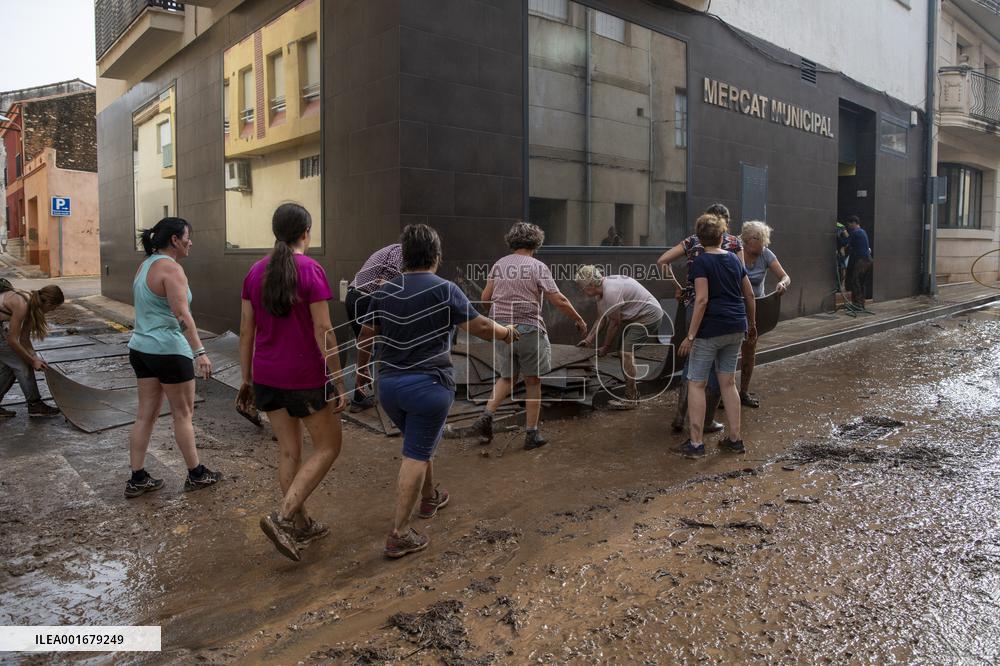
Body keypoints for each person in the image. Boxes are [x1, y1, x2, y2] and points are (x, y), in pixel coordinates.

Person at [356, 224, 518, 559]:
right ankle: (399, 533)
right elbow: (482, 326)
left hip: (389, 386)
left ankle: (430, 498)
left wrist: (362, 376)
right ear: (436, 256)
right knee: (415, 454)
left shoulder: (382, 292)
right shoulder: (444, 289)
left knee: (418, 440)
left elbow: (366, 338)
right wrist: (506, 334)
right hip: (428, 385)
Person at [240, 203, 349, 562]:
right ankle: (283, 517)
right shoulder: (311, 269)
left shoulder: (255, 272)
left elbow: (246, 332)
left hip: (267, 375)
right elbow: (324, 331)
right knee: (329, 445)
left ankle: (301, 525)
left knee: (289, 451)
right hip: (304, 377)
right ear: (306, 232)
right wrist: (339, 379)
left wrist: (246, 379)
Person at [466, 221, 587, 450]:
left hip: (502, 330)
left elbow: (485, 297)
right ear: (536, 242)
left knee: (507, 377)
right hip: (528, 329)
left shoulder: (500, 264)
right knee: (533, 381)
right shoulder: (537, 266)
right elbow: (558, 299)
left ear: (512, 241)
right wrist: (578, 319)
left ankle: (487, 416)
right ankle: (531, 435)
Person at [125, 217, 222, 498]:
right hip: (168, 350)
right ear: (175, 240)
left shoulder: (145, 266)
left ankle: (137, 477)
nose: (191, 241)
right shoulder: (172, 269)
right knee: (183, 415)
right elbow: (182, 315)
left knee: (145, 416)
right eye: (187, 237)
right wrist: (200, 352)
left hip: (141, 349)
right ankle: (196, 474)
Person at [656, 203, 744, 433]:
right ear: (725, 223)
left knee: (692, 364)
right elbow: (741, 280)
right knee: (721, 371)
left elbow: (662, 261)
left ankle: (679, 416)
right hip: (725, 312)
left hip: (692, 306)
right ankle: (707, 422)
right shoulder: (734, 243)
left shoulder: (693, 241)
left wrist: (680, 288)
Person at [678, 214, 757, 457]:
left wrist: (690, 336)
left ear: (700, 240)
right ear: (722, 236)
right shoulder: (734, 259)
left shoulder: (701, 261)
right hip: (736, 326)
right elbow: (750, 295)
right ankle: (735, 440)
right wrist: (751, 325)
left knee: (697, 383)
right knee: (728, 383)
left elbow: (701, 300)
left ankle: (696, 444)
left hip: (711, 329)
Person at [575, 266, 663, 409]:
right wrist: (588, 340)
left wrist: (605, 347)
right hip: (635, 316)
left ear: (591, 285)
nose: (582, 291)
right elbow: (602, 318)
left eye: (582, 287)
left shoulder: (611, 291)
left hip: (648, 316)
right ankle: (631, 392)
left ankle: (631, 398)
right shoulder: (600, 292)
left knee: (626, 353)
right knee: (623, 353)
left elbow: (614, 323)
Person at [344, 243, 403, 411]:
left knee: (368, 349)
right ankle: (388, 393)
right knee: (389, 342)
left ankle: (360, 395)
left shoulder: (392, 249)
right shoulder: (400, 252)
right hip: (364, 299)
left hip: (355, 297)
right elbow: (387, 282)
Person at [738, 220, 791, 407]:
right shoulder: (735, 252)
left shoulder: (766, 254)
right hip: (736, 307)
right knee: (727, 351)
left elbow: (785, 276)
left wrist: (782, 284)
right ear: (746, 239)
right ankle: (722, 394)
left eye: (764, 239)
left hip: (756, 308)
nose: (762, 243)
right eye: (758, 239)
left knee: (749, 350)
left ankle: (743, 392)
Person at [0, 282, 63, 418]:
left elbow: (24, 338)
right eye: (52, 309)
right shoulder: (22, 305)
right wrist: (31, 361)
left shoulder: (32, 305)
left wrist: (35, 357)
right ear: (49, 304)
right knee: (23, 364)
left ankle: (35, 405)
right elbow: (12, 340)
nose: (50, 312)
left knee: (10, 367)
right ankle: (35, 405)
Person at [841, 215, 872, 309]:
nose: (849, 226)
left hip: (861, 261)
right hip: (867, 261)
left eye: (849, 224)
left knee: (855, 281)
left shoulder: (856, 232)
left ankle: (857, 304)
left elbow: (845, 242)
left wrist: (844, 233)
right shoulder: (862, 231)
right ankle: (861, 304)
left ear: (854, 223)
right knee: (861, 283)